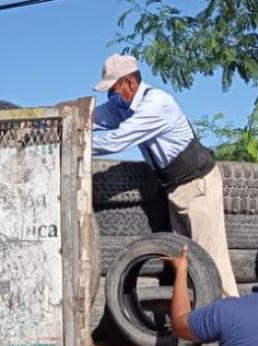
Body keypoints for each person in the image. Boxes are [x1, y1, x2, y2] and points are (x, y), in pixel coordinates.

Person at [91, 53, 238, 296]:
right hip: (174, 187)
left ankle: (229, 322)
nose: (110, 97)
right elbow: (90, 118)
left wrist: (73, 142)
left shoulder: (156, 104)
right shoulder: (124, 106)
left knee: (210, 262)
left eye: (113, 90)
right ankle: (202, 322)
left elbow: (115, 141)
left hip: (197, 184)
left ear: (129, 83)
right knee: (187, 262)